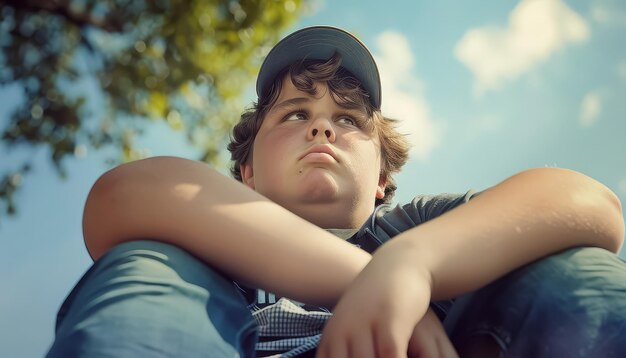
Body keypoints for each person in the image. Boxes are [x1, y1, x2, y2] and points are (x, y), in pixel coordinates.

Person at [47, 26, 626, 358]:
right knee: (152, 260)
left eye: (349, 119)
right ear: (245, 173)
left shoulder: (407, 230)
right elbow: (123, 195)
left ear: (380, 180)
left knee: (555, 263)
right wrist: (362, 281)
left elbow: (591, 205)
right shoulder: (204, 250)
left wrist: (411, 265)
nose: (323, 126)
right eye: (295, 114)